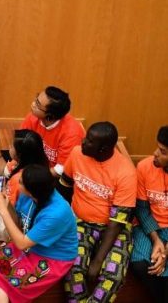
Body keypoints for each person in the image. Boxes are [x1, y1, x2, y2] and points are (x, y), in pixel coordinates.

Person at [58, 122, 136, 303]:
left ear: (103, 149)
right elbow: (64, 186)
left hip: (114, 229)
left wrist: (97, 261)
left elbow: (117, 222)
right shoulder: (77, 153)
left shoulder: (126, 172)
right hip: (80, 222)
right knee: (72, 267)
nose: (83, 142)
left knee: (114, 277)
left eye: (90, 141)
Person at [0, 164, 78, 303]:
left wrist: (2, 211)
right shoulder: (27, 195)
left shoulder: (56, 213)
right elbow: (19, 224)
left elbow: (21, 244)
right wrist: (7, 205)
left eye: (21, 182)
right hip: (29, 244)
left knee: (12, 281)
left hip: (53, 258)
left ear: (32, 190)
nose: (17, 181)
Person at [130, 126, 168, 302]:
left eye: (162, 151)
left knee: (164, 267)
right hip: (150, 225)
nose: (155, 154)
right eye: (157, 147)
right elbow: (142, 208)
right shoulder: (145, 166)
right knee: (140, 264)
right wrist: (157, 240)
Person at [19, 86, 84, 175]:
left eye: (38, 104)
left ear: (49, 116)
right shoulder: (33, 117)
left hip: (53, 175)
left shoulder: (72, 133)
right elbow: (20, 144)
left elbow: (60, 169)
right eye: (36, 99)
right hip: (36, 164)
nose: (33, 104)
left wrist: (33, 177)